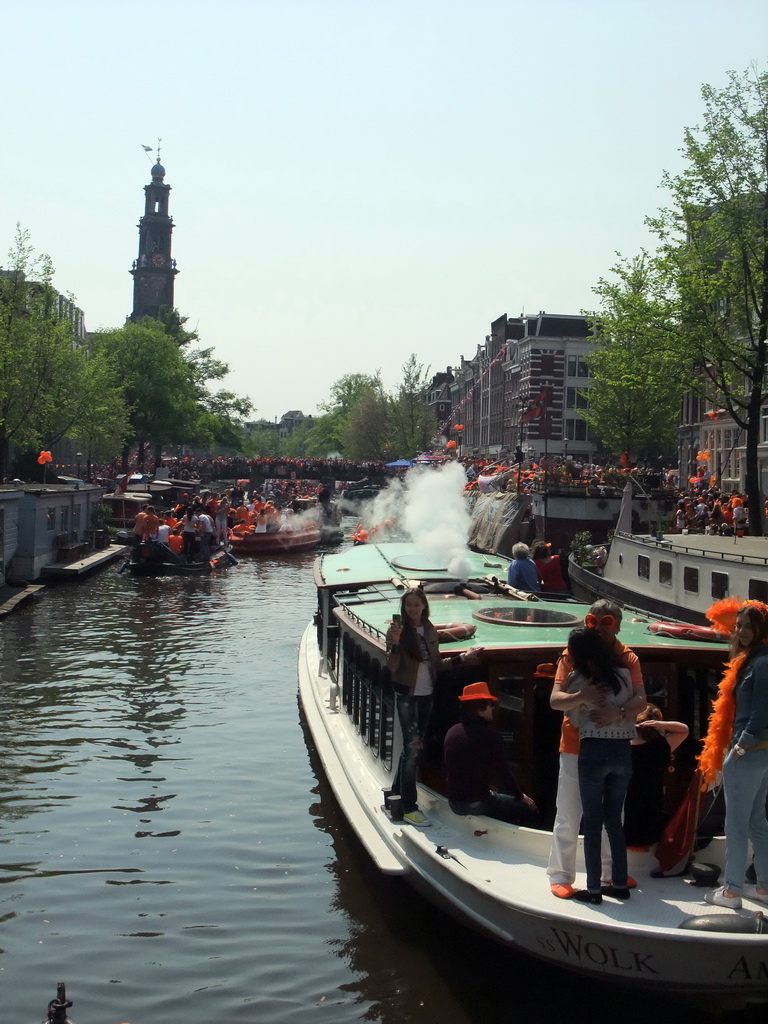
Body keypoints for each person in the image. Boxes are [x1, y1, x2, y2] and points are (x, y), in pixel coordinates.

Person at [547, 599, 646, 899]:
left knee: (614, 816)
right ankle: (561, 875)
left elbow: (641, 700)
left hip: (614, 745)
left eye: (606, 622)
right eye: (594, 622)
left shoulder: (629, 658)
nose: (599, 628)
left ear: (617, 625)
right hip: (576, 747)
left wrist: (616, 714)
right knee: (569, 813)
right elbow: (555, 700)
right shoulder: (572, 654)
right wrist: (581, 695)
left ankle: (610, 873)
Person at [385, 588, 483, 827]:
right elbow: (392, 665)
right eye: (408, 605)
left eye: (416, 604)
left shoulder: (429, 629)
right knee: (413, 750)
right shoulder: (396, 630)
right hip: (407, 696)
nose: (412, 609)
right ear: (403, 607)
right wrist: (395, 644)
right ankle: (408, 807)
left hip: (427, 695)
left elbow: (437, 665)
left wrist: (464, 657)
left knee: (411, 750)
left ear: (424, 606)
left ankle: (394, 795)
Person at [699, 600, 768, 909]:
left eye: (748, 627)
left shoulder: (762, 663)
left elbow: (762, 711)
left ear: (761, 630)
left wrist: (740, 746)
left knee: (736, 824)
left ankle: (731, 892)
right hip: (761, 754)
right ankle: (763, 888)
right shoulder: (754, 659)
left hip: (749, 752)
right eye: (739, 626)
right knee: (756, 822)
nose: (741, 631)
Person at [565, 627, 639, 904]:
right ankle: (620, 884)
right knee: (614, 822)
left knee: (593, 823)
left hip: (593, 751)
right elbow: (633, 707)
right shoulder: (624, 675)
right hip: (622, 752)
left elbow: (572, 718)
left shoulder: (579, 679)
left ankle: (594, 889)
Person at [444, 682, 539, 825]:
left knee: (500, 796)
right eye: (490, 704)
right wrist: (521, 796)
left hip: (454, 803)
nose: (493, 708)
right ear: (479, 709)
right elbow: (504, 773)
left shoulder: (451, 732)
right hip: (476, 804)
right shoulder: (490, 735)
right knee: (529, 808)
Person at [623, 704, 689, 848]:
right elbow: (684, 730)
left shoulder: (622, 745)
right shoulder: (661, 746)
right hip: (652, 803)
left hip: (626, 803)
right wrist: (660, 724)